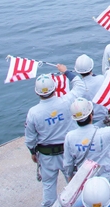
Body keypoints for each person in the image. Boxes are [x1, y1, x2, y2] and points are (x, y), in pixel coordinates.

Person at [25, 65, 86, 207]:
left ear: (37, 93)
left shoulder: (33, 113)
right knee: (74, 186)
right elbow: (80, 86)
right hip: (67, 153)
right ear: (54, 89)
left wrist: (33, 152)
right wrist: (66, 72)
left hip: (47, 157)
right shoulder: (66, 101)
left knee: (48, 188)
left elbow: (30, 139)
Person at [63, 91, 110, 180]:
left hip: (83, 178)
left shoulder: (70, 137)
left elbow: (68, 163)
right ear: (91, 115)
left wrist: (69, 175)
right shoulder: (103, 133)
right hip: (103, 177)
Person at [74, 54, 108, 127]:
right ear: (91, 67)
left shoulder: (78, 87)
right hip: (103, 118)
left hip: (87, 121)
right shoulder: (101, 79)